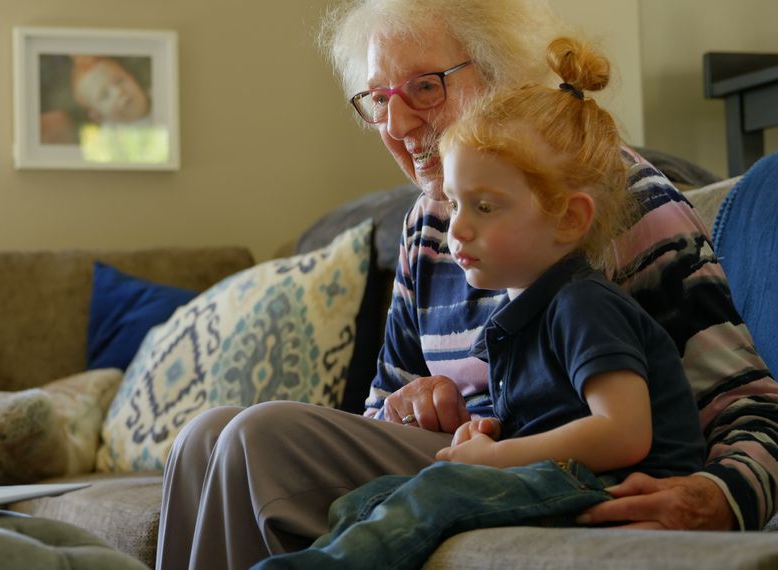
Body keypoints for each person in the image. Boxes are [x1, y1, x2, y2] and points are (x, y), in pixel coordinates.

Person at [156, 1, 778, 569]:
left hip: (546, 472)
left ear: (499, 74)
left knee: (254, 441)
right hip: (468, 458)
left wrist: (724, 496)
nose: (396, 123)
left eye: (425, 87)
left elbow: (748, 398)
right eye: (378, 98)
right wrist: (414, 402)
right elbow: (381, 405)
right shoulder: (429, 221)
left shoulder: (609, 198)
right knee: (202, 437)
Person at [251, 36, 706, 569]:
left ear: (570, 219)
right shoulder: (521, 313)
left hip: (619, 486)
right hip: (562, 473)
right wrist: (482, 429)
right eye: (456, 203)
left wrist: (495, 457)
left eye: (485, 207)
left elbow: (624, 433)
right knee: (364, 502)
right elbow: (540, 415)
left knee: (434, 494)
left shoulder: (583, 305)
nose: (457, 228)